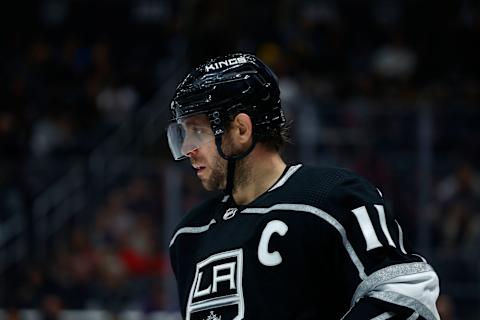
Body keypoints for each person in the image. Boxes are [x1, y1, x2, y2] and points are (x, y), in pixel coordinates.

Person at [167, 53, 440, 320]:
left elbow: (408, 295)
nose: (186, 148)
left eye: (198, 131)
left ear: (241, 129)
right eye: (184, 132)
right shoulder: (189, 235)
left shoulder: (333, 198)